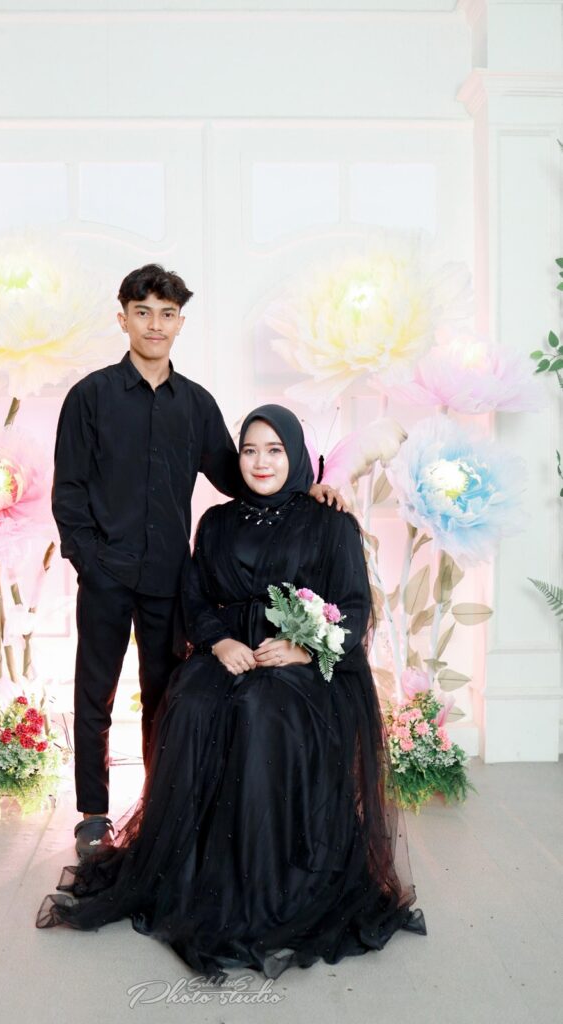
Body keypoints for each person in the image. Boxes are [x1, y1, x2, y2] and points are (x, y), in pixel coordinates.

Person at [37, 404, 426, 979]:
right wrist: (218, 643)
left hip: (302, 663)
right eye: (249, 450)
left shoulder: (329, 521)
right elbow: (195, 597)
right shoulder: (216, 521)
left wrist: (302, 648)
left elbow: (354, 606)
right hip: (231, 650)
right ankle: (193, 875)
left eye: (275, 450)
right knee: (191, 701)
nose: (261, 462)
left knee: (260, 708)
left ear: (295, 455)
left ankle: (266, 883)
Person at [51, 266, 342, 857]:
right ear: (123, 318)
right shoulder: (90, 397)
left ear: (180, 323)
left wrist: (305, 485)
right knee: (94, 694)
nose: (154, 325)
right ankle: (93, 814)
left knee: (163, 695)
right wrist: (92, 563)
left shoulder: (196, 404)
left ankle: (157, 807)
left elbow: (238, 475)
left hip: (168, 578)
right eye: (143, 312)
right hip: (106, 577)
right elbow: (69, 492)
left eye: (167, 314)